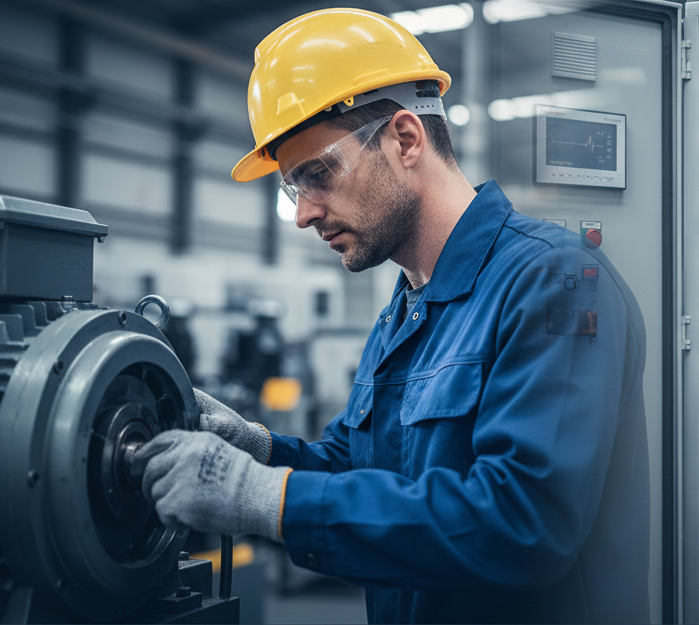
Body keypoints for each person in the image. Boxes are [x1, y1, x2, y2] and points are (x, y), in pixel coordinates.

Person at [131, 8, 650, 624]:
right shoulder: (403, 312)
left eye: (317, 175)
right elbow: (363, 470)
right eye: (293, 189)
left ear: (406, 139)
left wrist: (263, 499)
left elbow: (523, 524)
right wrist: (258, 451)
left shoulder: (556, 283)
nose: (303, 214)